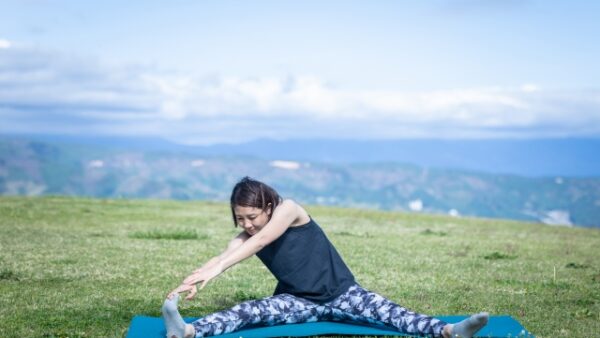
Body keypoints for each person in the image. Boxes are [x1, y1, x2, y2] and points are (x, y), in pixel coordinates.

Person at [162, 177, 488, 338]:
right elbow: (227, 252)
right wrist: (192, 279)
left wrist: (218, 268)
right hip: (298, 301)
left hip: (344, 295)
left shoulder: (290, 209)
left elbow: (261, 240)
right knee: (247, 311)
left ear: (269, 207)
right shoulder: (247, 233)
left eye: (252, 216)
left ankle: (449, 332)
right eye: (240, 219)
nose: (247, 224)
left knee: (392, 314)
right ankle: (189, 332)